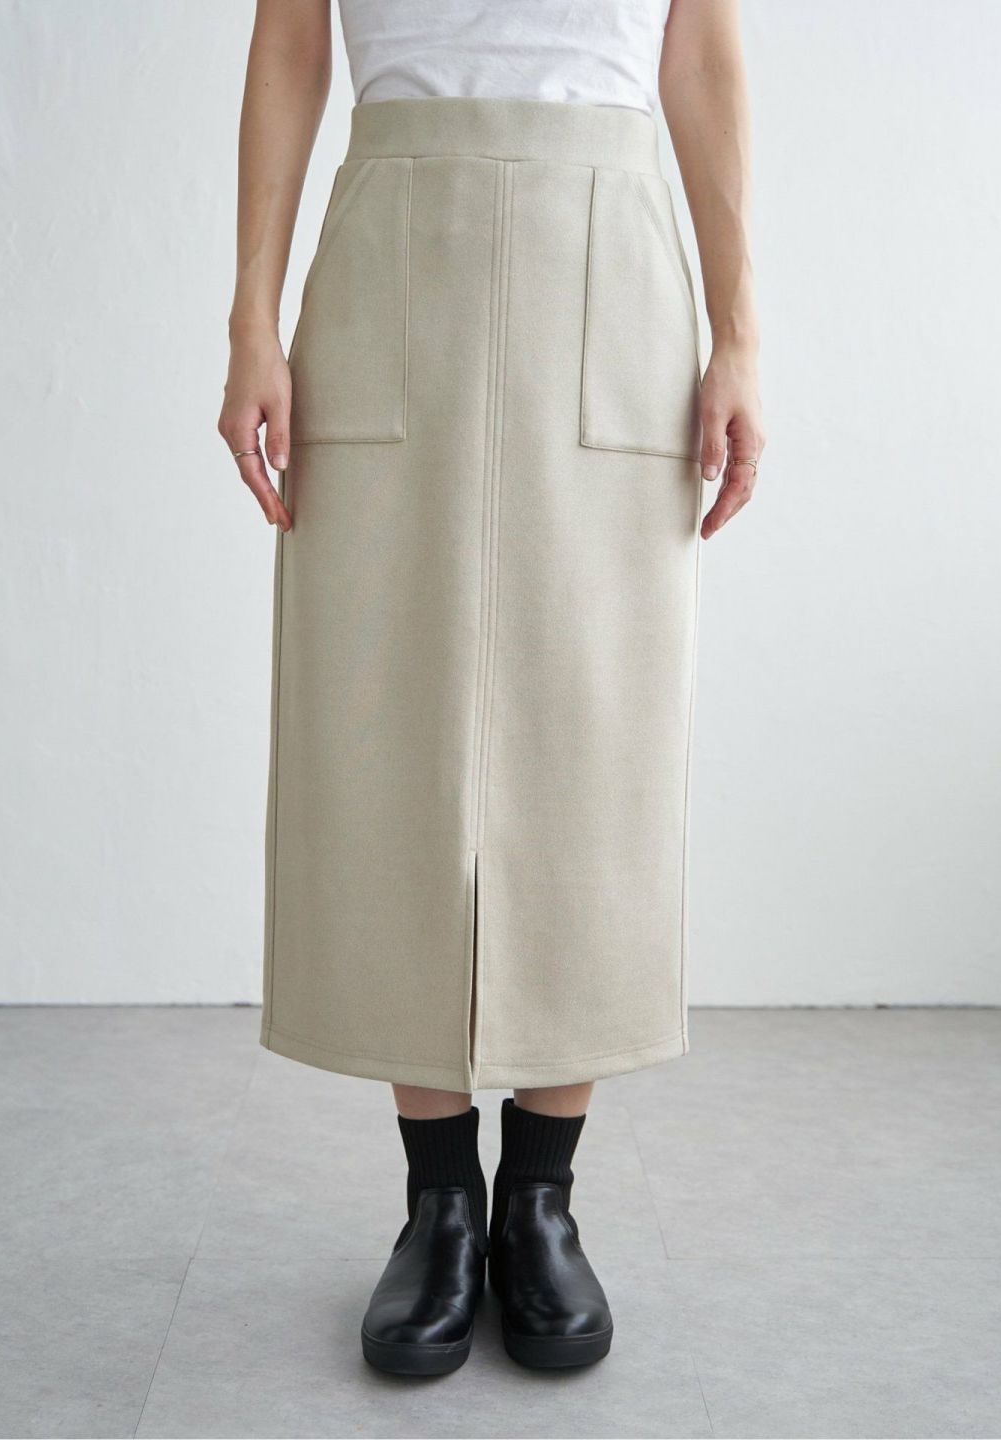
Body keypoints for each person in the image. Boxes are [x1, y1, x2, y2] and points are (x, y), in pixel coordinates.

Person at [218, 0, 764, 1377]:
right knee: (391, 728)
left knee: (593, 734)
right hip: (395, 248)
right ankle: (439, 1205)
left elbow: (701, 52)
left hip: (611, 258)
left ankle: (542, 1201)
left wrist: (742, 332)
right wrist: (250, 321)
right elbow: (289, 41)